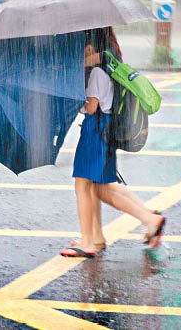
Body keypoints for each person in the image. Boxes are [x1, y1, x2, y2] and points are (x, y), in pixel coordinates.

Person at [60, 28, 166, 258]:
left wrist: (73, 98)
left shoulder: (97, 71)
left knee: (83, 185)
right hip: (103, 131)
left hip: (95, 131)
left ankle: (90, 241)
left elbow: (90, 107)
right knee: (97, 186)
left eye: (82, 47)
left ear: (90, 47)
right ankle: (96, 237)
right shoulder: (108, 63)